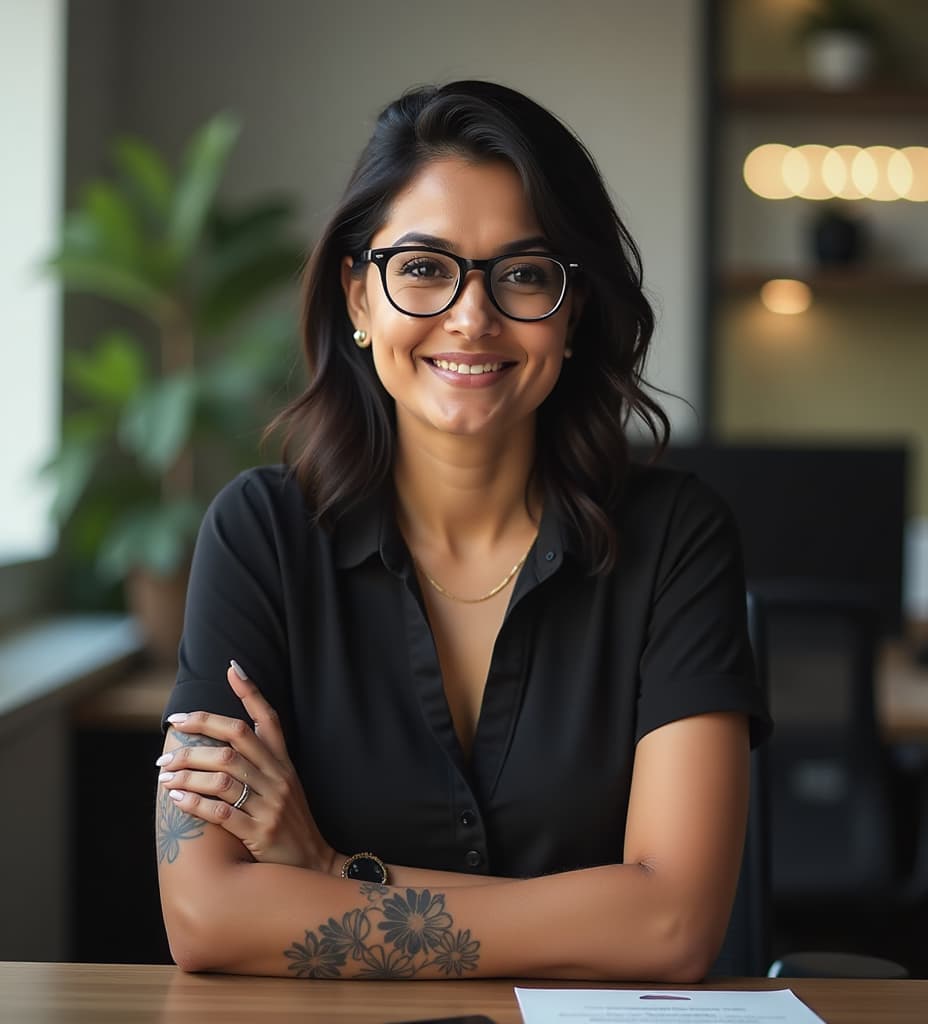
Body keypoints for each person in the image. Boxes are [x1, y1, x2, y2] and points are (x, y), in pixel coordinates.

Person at [155, 80, 771, 982]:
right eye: (422, 268)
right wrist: (602, 912)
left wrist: (334, 874)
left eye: (524, 273)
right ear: (360, 299)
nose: (472, 316)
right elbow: (206, 916)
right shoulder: (260, 535)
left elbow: (675, 927)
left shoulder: (678, 538)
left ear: (575, 308)